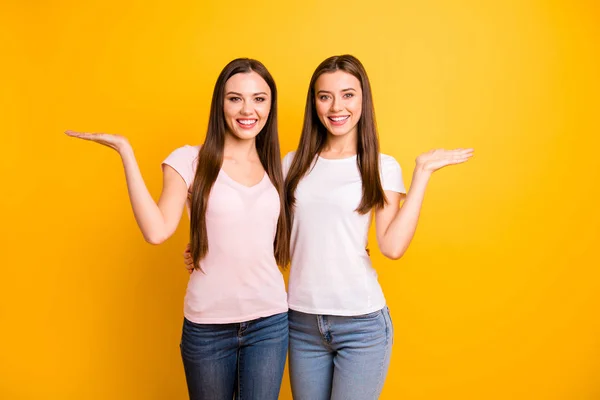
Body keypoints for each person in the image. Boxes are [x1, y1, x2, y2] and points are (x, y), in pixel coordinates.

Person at [66, 58, 290, 400]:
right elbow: (156, 231)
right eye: (235, 98)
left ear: (270, 105)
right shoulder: (189, 160)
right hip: (208, 327)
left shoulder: (280, 167)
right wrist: (126, 152)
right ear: (220, 104)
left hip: (270, 323)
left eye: (259, 98)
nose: (248, 109)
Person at [282, 54, 473, 400]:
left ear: (363, 99)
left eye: (348, 94)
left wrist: (421, 175)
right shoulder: (291, 164)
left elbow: (392, 246)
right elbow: (269, 233)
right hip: (301, 322)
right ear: (315, 103)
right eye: (325, 96)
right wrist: (205, 246)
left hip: (361, 325)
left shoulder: (381, 167)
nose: (336, 106)